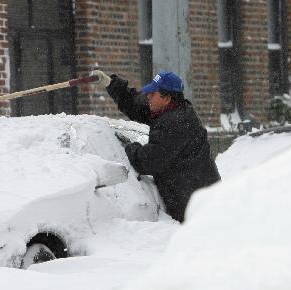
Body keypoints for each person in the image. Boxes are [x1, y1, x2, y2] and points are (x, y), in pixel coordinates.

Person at [91, 70, 221, 223]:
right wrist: (111, 83)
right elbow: (136, 105)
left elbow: (150, 161)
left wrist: (128, 147)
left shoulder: (176, 123)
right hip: (202, 199)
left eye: (153, 94)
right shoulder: (171, 110)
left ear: (166, 98)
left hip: (196, 206)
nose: (148, 96)